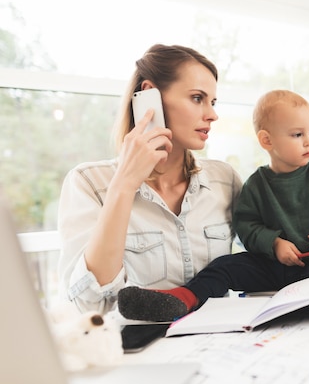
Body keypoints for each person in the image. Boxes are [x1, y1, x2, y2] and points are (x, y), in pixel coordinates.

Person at [117, 89, 309, 321]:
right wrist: (275, 243)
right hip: (270, 266)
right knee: (223, 267)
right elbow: (246, 227)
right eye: (297, 135)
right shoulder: (256, 184)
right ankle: (182, 299)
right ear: (267, 141)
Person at [57, 44, 242, 314]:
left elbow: (266, 254)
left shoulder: (225, 180)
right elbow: (89, 304)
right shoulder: (88, 183)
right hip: (138, 353)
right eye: (197, 98)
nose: (212, 115)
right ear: (149, 96)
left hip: (219, 348)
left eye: (212, 102)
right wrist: (123, 186)